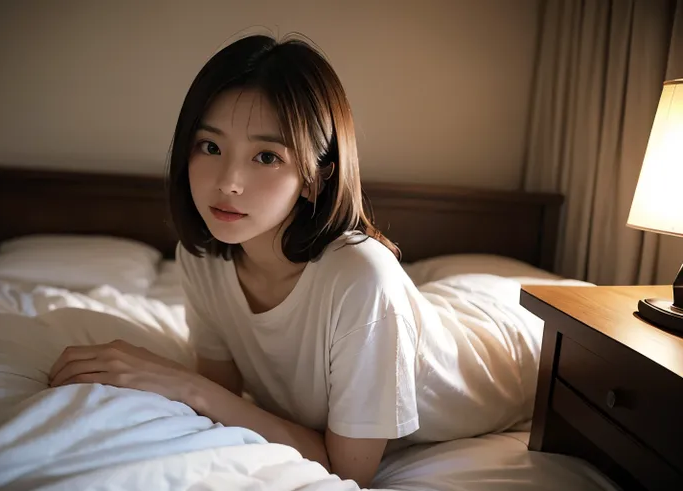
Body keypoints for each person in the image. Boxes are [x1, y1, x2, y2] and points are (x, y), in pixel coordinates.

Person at [48, 34, 533, 488]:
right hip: (436, 310)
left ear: (315, 177)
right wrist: (190, 388)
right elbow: (223, 393)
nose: (229, 181)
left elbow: (350, 471)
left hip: (514, 344)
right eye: (210, 147)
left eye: (266, 157)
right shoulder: (201, 257)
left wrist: (182, 384)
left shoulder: (361, 278)